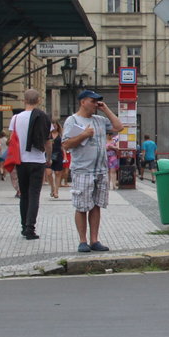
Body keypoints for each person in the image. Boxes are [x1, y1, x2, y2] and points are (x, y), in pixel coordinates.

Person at [62, 89, 124, 252]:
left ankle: (94, 240)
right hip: (82, 169)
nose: (96, 104)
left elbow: (119, 127)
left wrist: (106, 109)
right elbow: (66, 144)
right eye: (93, 101)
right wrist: (83, 135)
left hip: (100, 170)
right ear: (83, 102)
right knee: (82, 206)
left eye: (97, 101)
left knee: (96, 205)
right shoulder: (72, 120)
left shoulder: (100, 120)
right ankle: (83, 240)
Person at [11, 89, 52, 239]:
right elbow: (48, 141)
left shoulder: (15, 118)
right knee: (34, 194)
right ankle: (30, 228)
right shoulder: (44, 117)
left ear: (24, 100)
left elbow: (12, 138)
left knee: (24, 194)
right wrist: (48, 157)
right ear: (39, 100)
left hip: (21, 161)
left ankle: (23, 226)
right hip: (38, 160)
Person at [48, 120, 65, 199]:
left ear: (58, 126)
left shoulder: (61, 135)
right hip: (49, 155)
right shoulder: (48, 134)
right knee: (49, 173)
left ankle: (56, 191)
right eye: (53, 126)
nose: (54, 127)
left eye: (55, 125)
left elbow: (63, 146)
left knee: (58, 173)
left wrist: (65, 156)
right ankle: (52, 187)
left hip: (58, 154)